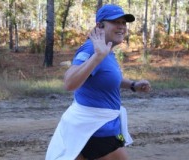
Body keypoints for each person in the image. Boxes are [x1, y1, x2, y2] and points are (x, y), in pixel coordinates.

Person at [46, 4, 151, 160]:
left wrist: (132, 85)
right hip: (97, 129)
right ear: (99, 26)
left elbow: (107, 77)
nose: (121, 27)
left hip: (98, 126)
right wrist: (97, 57)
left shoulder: (106, 49)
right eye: (116, 22)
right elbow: (69, 82)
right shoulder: (91, 50)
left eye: (124, 23)